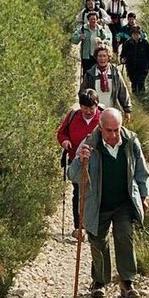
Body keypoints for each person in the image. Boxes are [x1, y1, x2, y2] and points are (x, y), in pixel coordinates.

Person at [67, 107, 149, 298]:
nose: (113, 135)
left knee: (125, 238)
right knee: (97, 241)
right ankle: (99, 281)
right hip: (98, 202)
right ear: (100, 127)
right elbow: (73, 176)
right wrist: (80, 161)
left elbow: (141, 171)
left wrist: (143, 196)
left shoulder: (131, 142)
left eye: (116, 130)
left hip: (123, 201)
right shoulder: (89, 144)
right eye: (108, 130)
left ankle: (127, 282)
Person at [56, 89, 101, 238]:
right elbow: (61, 133)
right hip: (76, 162)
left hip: (97, 165)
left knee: (96, 193)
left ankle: (95, 226)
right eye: (85, 108)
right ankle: (79, 227)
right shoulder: (73, 116)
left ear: (96, 106)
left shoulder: (102, 118)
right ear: (80, 106)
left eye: (91, 108)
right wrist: (65, 141)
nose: (88, 111)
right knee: (78, 193)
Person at [80, 46, 131, 118]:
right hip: (95, 114)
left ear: (108, 57)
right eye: (100, 56)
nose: (102, 59)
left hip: (112, 112)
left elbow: (123, 91)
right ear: (96, 57)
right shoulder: (90, 74)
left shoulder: (115, 73)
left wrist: (127, 109)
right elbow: (83, 93)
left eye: (104, 56)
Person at [121, 24, 149, 95]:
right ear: (131, 34)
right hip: (131, 68)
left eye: (137, 34)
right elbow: (123, 54)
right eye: (134, 34)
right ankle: (135, 97)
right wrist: (122, 59)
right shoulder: (127, 43)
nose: (136, 35)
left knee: (141, 83)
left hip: (143, 68)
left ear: (140, 34)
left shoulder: (145, 43)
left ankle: (142, 97)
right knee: (134, 83)